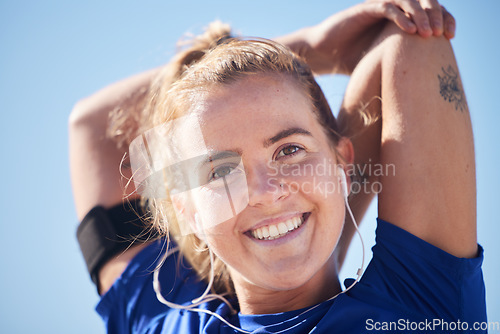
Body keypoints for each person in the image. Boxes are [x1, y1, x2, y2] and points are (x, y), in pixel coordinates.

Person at [69, 1, 486, 333]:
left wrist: (295, 57)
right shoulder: (161, 320)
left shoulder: (422, 303)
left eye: (289, 151)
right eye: (219, 172)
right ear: (186, 211)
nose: (267, 191)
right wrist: (311, 48)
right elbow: (93, 128)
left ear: (343, 159)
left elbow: (412, 39)